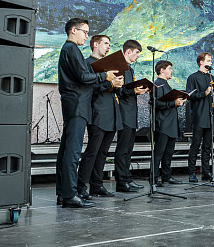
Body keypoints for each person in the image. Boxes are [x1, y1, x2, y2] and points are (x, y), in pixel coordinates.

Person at [56, 18, 117, 208]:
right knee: (72, 152)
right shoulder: (71, 49)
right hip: (77, 105)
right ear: (73, 30)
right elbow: (83, 77)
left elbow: (83, 79)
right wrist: (105, 76)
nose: (86, 36)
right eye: (85, 32)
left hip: (75, 105)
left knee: (66, 151)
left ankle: (64, 193)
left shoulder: (69, 49)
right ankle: (69, 195)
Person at [77, 34, 124, 198]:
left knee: (103, 152)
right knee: (92, 151)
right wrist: (109, 83)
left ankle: (97, 185)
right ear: (95, 44)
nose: (108, 46)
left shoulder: (109, 66)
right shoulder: (87, 64)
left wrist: (117, 84)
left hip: (112, 112)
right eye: (105, 43)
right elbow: (88, 89)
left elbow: (112, 89)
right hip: (97, 112)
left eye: (109, 44)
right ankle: (80, 187)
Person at [186, 52, 214, 182]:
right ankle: (192, 173)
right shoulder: (192, 77)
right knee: (195, 144)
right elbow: (190, 95)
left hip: (210, 114)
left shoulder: (212, 77)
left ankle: (206, 172)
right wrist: (204, 93)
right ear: (201, 62)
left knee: (207, 146)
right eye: (208, 60)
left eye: (211, 61)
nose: (211, 63)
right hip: (199, 115)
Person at [114, 40, 148, 193]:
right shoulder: (119, 68)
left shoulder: (130, 69)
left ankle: (127, 178)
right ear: (128, 51)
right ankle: (121, 181)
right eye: (136, 53)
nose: (138, 56)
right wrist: (133, 91)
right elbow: (119, 91)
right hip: (124, 113)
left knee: (128, 149)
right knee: (122, 149)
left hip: (131, 113)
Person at [152, 60, 185, 186]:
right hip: (162, 124)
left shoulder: (166, 85)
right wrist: (173, 103)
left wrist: (178, 102)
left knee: (169, 153)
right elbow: (156, 103)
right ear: (162, 70)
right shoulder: (157, 85)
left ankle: (166, 176)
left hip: (171, 123)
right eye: (169, 68)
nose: (172, 71)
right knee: (159, 153)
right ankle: (154, 178)